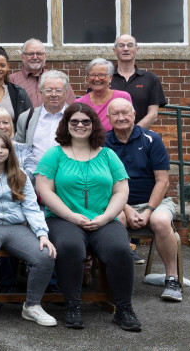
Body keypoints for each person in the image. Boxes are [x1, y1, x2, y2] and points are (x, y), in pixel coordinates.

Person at [34, 103, 140, 331]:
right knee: (70, 247)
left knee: (121, 250)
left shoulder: (108, 155)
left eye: (85, 121)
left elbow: (121, 191)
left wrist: (106, 217)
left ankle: (124, 309)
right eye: (74, 121)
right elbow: (44, 190)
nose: (80, 125)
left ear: (94, 125)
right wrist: (72, 216)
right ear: (66, 124)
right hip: (63, 219)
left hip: (104, 219)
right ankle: (72, 306)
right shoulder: (54, 154)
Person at [0, 130, 57, 329]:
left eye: (3, 146)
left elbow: (31, 206)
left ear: (10, 150)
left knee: (46, 254)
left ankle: (32, 305)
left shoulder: (19, 174)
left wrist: (42, 234)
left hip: (15, 227)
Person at [105, 98, 183, 302]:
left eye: (125, 113)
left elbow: (162, 180)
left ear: (134, 115)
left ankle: (172, 279)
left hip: (154, 202)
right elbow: (103, 184)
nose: (121, 117)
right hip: (117, 201)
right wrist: (127, 209)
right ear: (108, 117)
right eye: (115, 114)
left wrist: (148, 210)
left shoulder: (152, 139)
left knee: (161, 221)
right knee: (117, 221)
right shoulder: (103, 143)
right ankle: (121, 280)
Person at [111, 34, 167, 128]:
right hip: (109, 138)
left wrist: (134, 132)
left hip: (140, 136)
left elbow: (153, 114)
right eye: (121, 45)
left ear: (136, 50)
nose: (125, 49)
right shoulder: (105, 78)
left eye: (130, 45)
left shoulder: (150, 78)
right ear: (114, 51)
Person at [15, 70, 70, 162]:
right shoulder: (27, 117)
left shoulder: (75, 118)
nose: (53, 94)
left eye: (58, 90)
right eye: (48, 90)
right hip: (34, 173)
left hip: (66, 173)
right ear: (41, 92)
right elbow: (18, 149)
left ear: (65, 92)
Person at [8, 39, 76, 107]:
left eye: (39, 53)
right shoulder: (12, 80)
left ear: (45, 56)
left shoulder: (58, 79)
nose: (35, 57)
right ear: (22, 57)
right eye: (30, 54)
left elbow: (72, 105)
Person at [74, 58, 132, 131]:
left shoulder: (123, 97)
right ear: (87, 78)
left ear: (110, 78)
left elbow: (129, 125)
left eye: (101, 75)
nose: (96, 79)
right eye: (92, 75)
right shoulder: (79, 103)